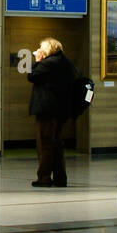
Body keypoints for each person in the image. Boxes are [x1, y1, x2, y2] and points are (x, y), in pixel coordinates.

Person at [27, 37, 76, 188]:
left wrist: (38, 60)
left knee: (45, 143)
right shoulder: (66, 63)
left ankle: (44, 178)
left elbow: (32, 76)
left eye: (41, 48)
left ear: (47, 49)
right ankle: (60, 178)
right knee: (57, 144)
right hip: (62, 110)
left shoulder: (47, 63)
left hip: (46, 109)